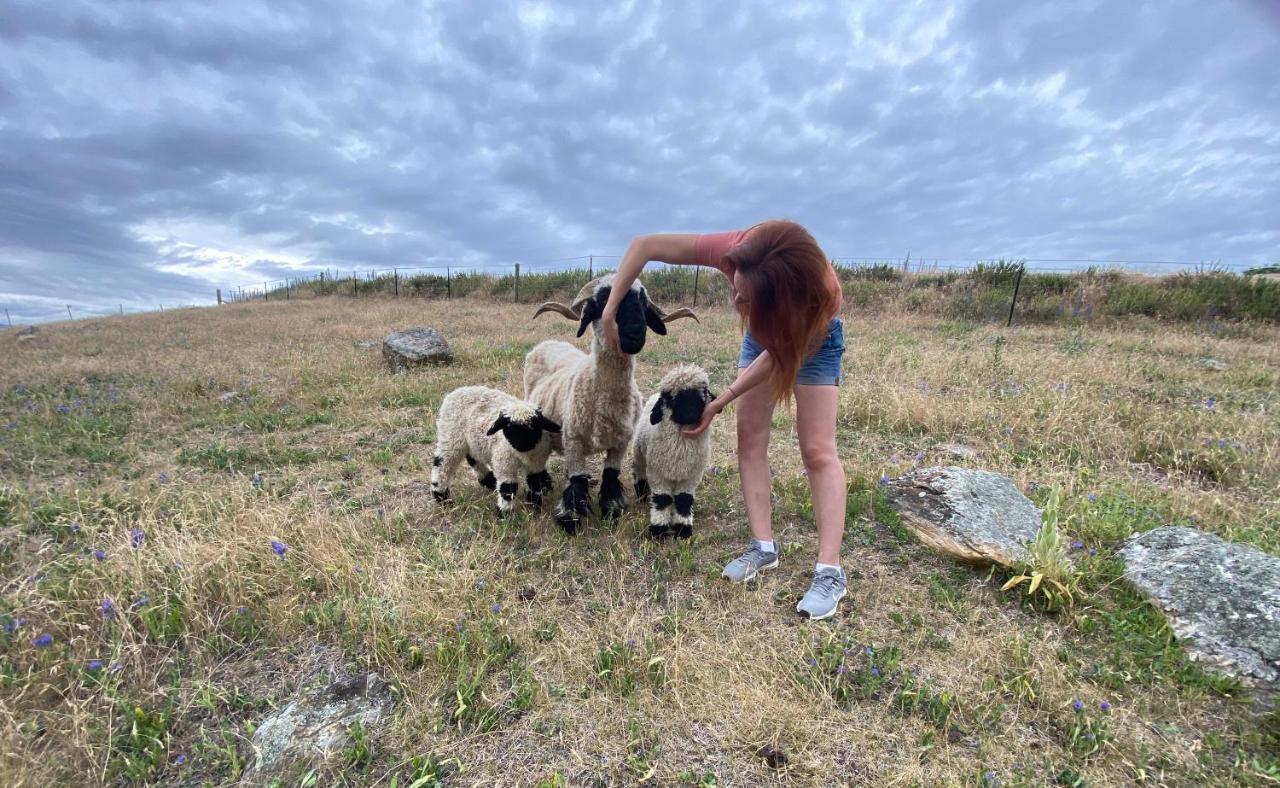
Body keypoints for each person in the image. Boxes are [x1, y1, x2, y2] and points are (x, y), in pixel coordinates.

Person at [600, 220, 849, 620]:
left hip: (811, 333)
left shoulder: (820, 294)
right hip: (765, 326)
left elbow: (780, 352)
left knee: (817, 450)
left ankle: (829, 571)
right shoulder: (736, 251)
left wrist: (723, 398)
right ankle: (762, 548)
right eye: (735, 283)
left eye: (744, 296)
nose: (734, 295)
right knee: (750, 439)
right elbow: (644, 245)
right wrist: (610, 310)